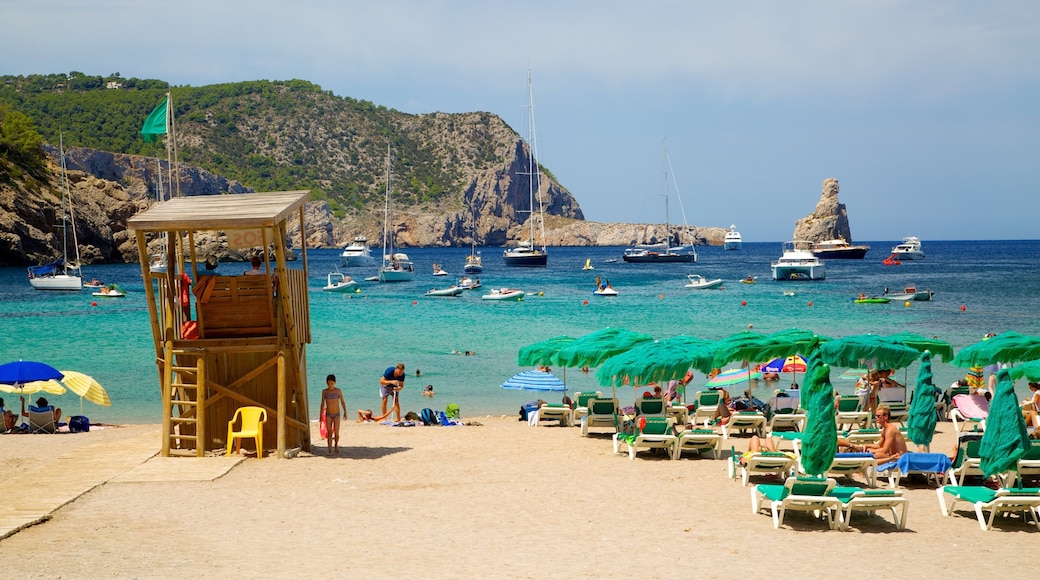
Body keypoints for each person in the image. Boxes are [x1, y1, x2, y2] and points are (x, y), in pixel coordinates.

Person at [319, 374, 347, 454]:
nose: (330, 385)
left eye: (331, 383)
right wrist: (320, 415)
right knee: (329, 432)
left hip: (336, 414)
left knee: (336, 432)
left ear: (334, 383)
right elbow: (322, 404)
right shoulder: (324, 392)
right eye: (328, 383)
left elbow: (342, 401)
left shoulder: (338, 391)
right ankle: (330, 450)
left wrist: (345, 411)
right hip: (328, 414)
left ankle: (336, 444)